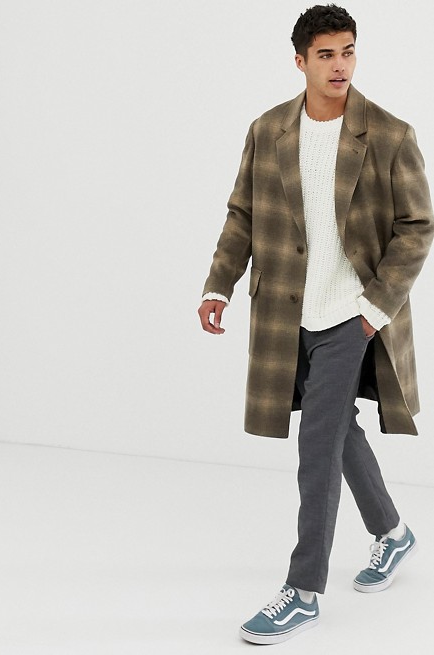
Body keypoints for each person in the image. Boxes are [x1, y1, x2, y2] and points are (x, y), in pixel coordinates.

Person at [198, 4, 434, 646]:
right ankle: (393, 533)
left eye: (348, 51)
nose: (340, 65)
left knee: (316, 446)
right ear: (300, 60)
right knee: (336, 431)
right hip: (286, 314)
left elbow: (417, 228)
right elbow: (243, 214)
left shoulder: (389, 134)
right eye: (326, 54)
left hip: (351, 316)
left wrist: (375, 310)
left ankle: (302, 592)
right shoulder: (268, 129)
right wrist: (219, 283)